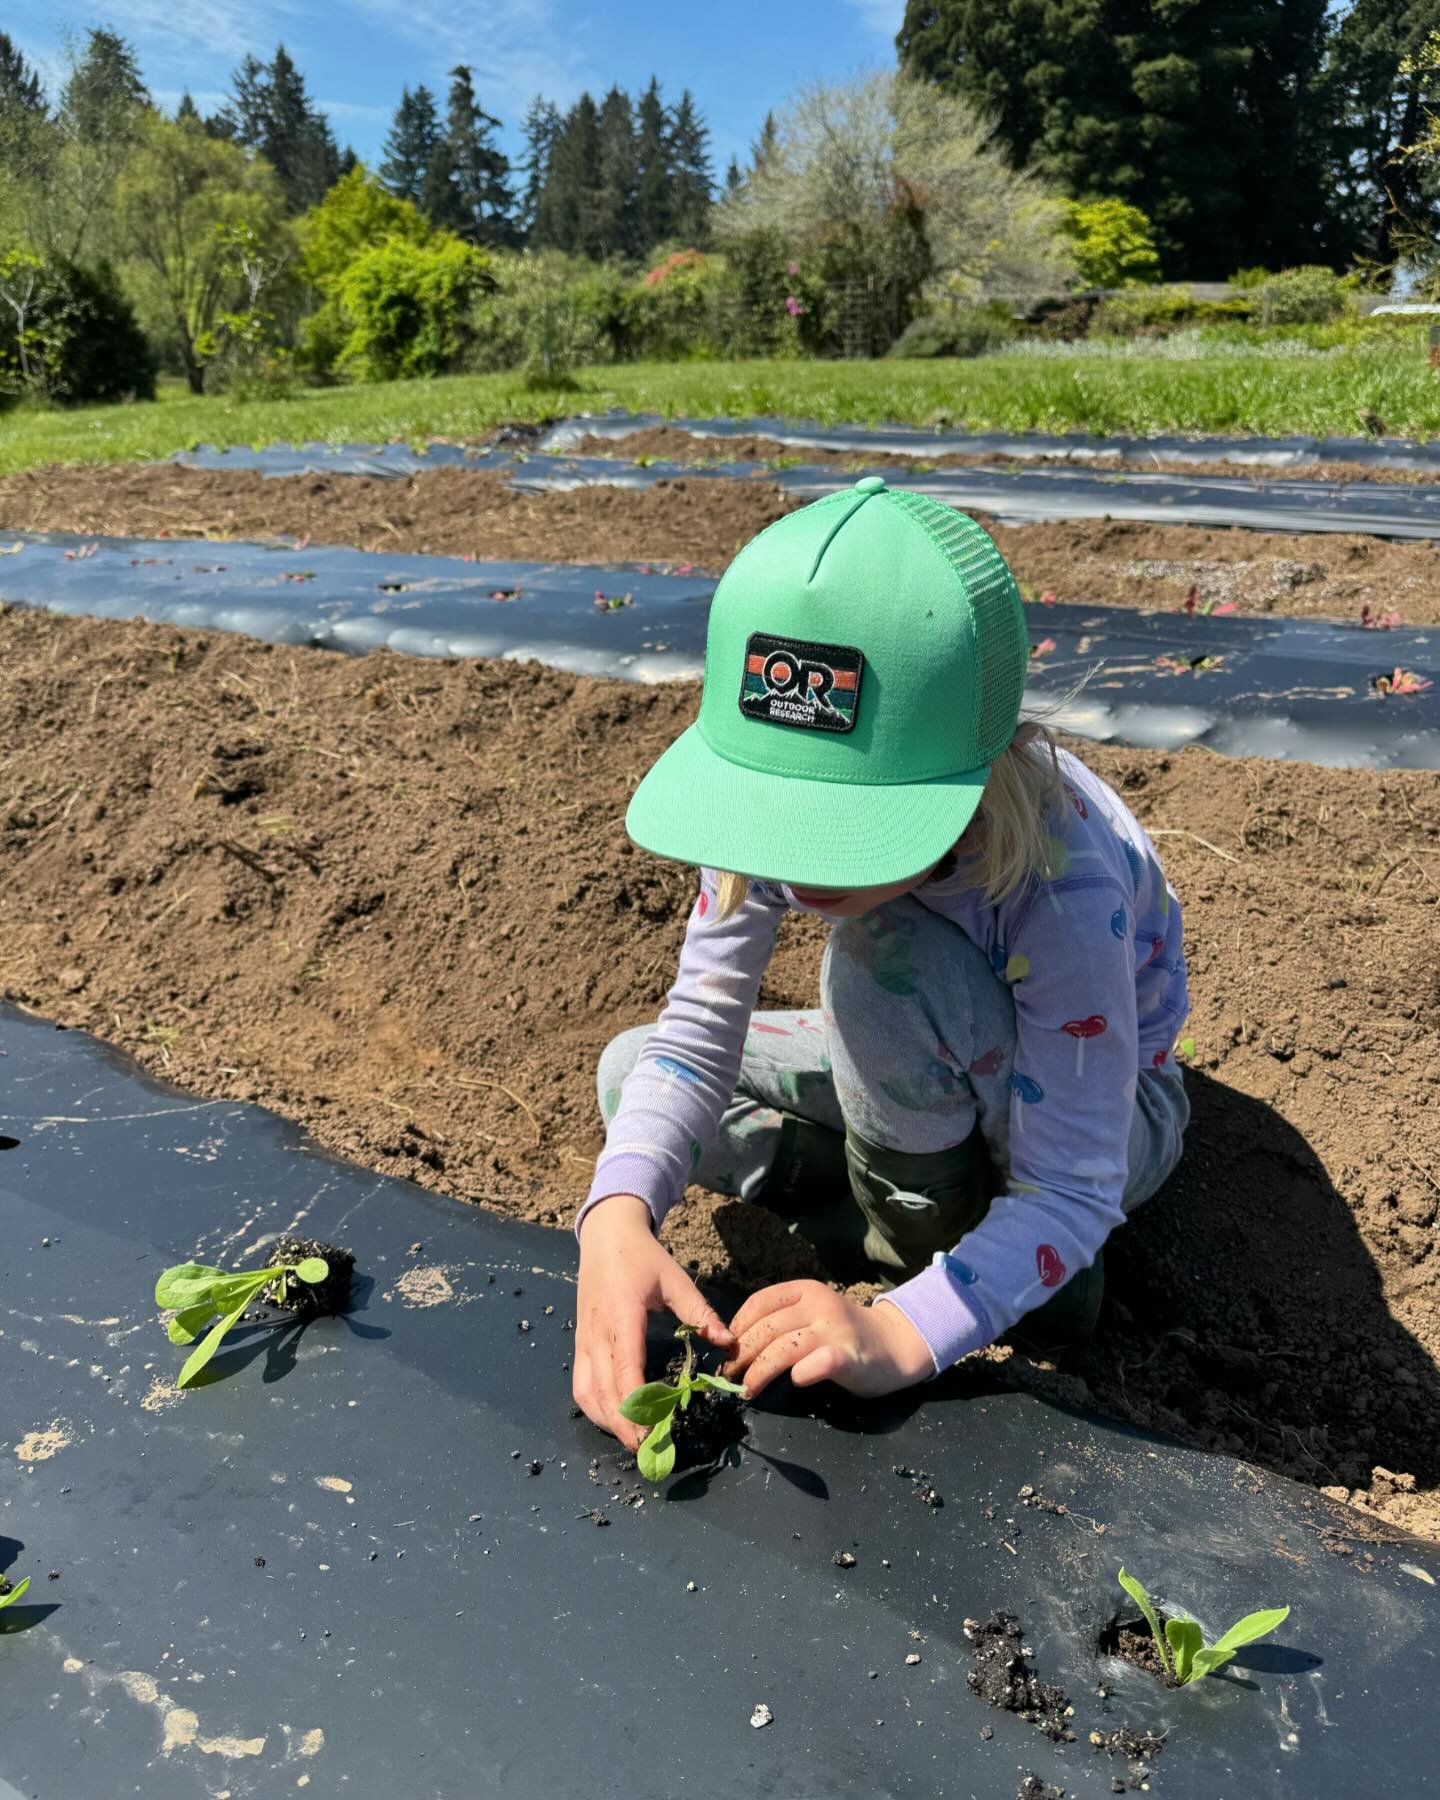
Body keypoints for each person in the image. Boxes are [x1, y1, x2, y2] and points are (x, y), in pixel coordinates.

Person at [572, 476, 1190, 1451]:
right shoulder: (765, 820)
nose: (793, 863)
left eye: (840, 829)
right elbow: (695, 1041)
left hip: (1109, 1112)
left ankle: (999, 1286)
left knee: (878, 960)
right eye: (781, 814)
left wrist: (900, 1329)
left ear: (970, 767)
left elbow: (1077, 1186)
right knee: (631, 1075)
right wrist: (613, 1221)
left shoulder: (1060, 887)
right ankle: (924, 1224)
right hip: (939, 1062)